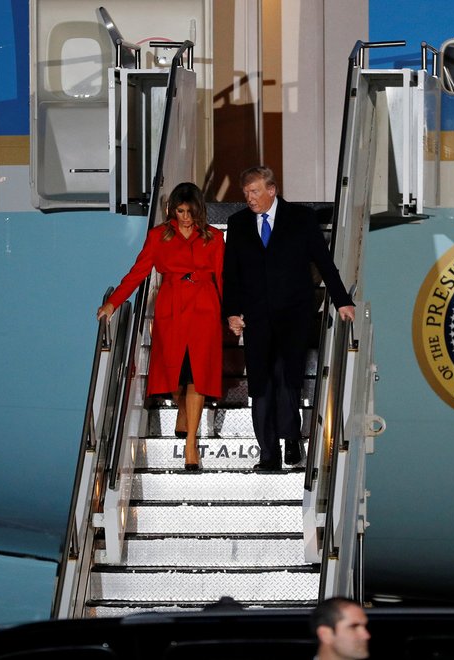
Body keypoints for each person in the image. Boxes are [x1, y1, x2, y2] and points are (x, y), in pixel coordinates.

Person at [222, 166, 355, 471]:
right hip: (256, 317)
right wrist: (231, 311)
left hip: (294, 314)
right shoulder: (238, 223)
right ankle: (268, 454)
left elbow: (324, 263)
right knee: (260, 385)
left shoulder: (301, 219)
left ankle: (291, 436)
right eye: (245, 193)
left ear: (272, 190)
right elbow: (231, 275)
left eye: (254, 191)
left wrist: (342, 300)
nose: (249, 198)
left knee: (286, 378)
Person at [97, 182, 225, 470]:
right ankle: (182, 407)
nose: (185, 218)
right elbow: (138, 272)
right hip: (172, 310)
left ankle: (191, 443)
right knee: (175, 376)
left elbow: (223, 277)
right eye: (179, 211)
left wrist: (231, 314)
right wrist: (113, 303)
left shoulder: (214, 238)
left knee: (197, 377)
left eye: (190, 212)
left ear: (199, 211)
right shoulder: (158, 237)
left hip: (205, 311)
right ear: (171, 210)